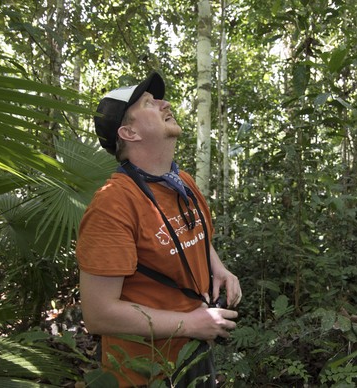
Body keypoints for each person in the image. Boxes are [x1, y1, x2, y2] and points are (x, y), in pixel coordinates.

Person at [76, 71, 242, 387]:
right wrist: (191, 324)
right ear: (129, 132)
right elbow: (98, 313)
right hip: (143, 369)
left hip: (194, 347)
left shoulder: (183, 183)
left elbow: (195, 237)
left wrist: (219, 270)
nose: (165, 103)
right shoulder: (112, 205)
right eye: (150, 103)